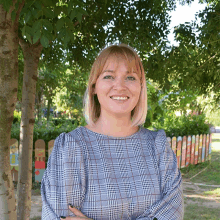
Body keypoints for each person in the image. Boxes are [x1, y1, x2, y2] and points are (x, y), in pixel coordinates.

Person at [41, 44, 184, 220]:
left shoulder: (158, 147)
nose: (120, 86)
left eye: (130, 77)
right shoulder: (71, 148)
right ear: (94, 86)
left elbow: (172, 215)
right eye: (109, 76)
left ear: (140, 86)